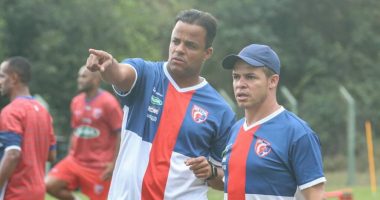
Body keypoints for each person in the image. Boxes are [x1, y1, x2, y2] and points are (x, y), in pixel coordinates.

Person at [86, 9, 236, 200]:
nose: (179, 49)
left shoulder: (220, 111)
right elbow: (120, 74)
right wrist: (108, 65)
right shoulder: (146, 74)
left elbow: (225, 179)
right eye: (175, 41)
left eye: (190, 45)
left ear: (207, 53)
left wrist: (211, 172)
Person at [217, 44, 326, 199]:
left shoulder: (298, 133)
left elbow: (316, 196)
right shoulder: (235, 130)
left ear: (272, 81)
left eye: (250, 77)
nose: (240, 84)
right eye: (236, 77)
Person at [45, 66, 123, 200]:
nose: (79, 80)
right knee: (49, 184)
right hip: (75, 161)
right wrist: (70, 154)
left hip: (99, 166)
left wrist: (114, 163)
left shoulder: (109, 102)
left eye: (84, 76)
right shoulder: (76, 101)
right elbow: (75, 130)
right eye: (79, 76)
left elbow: (121, 133)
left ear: (96, 79)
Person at [0, 56, 56, 200]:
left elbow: (12, 154)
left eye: (1, 76)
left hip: (16, 193)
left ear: (13, 78)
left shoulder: (11, 111)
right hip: (38, 192)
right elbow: (51, 155)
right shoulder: (44, 112)